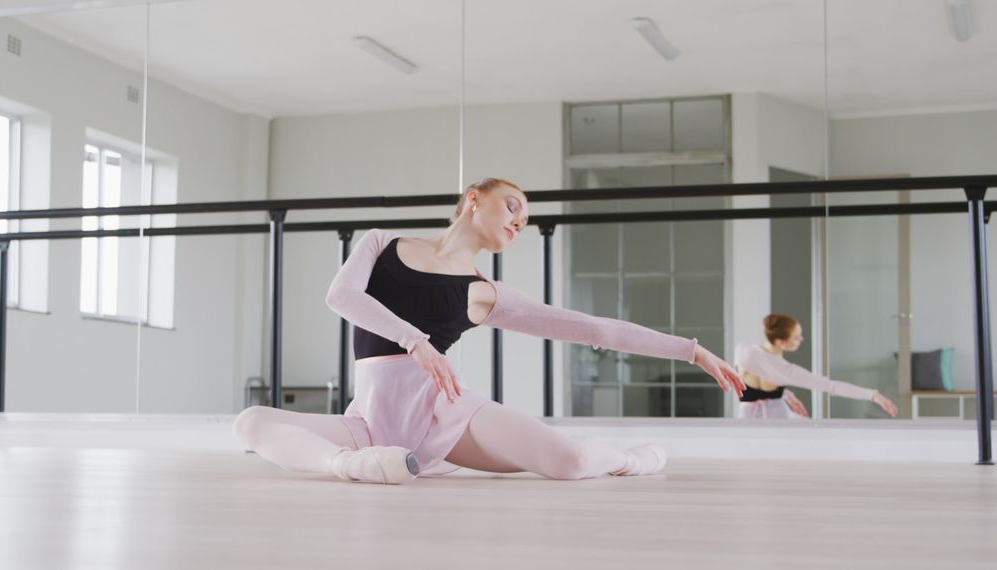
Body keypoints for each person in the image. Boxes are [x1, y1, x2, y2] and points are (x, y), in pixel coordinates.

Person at [233, 178, 746, 484]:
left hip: (443, 414)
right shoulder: (381, 243)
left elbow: (593, 327)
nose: (519, 222)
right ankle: (348, 465)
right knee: (251, 421)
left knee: (569, 462)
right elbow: (341, 297)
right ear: (473, 198)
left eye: (524, 221)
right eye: (513, 206)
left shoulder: (485, 293)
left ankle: (632, 461)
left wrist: (693, 352)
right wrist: (417, 342)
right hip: (370, 420)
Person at [734, 314, 899, 419]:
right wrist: (873, 395)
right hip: (777, 419)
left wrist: (786, 394)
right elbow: (830, 386)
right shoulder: (785, 371)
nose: (801, 339)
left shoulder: (743, 351)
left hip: (745, 416)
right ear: (781, 342)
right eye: (797, 337)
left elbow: (757, 385)